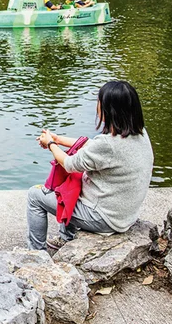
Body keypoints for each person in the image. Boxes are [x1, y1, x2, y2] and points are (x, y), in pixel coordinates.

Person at [28, 80, 154, 252]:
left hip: (104, 218)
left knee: (35, 196)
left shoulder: (108, 144)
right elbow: (92, 147)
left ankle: (35, 254)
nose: (97, 106)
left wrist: (50, 144)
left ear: (110, 110)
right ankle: (67, 239)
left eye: (99, 102)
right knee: (76, 181)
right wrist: (58, 140)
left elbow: (69, 164)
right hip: (124, 213)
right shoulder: (139, 133)